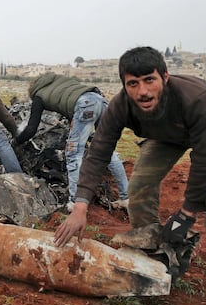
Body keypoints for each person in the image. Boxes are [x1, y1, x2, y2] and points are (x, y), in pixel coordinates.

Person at [54, 47, 206, 305]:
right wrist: (81, 206)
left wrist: (185, 215)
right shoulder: (121, 105)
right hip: (165, 135)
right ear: (124, 85)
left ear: (165, 77)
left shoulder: (198, 99)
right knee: (140, 186)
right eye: (133, 84)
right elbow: (98, 152)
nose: (142, 91)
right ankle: (155, 258)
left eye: (150, 80)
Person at [14, 73, 129, 210]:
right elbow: (72, 104)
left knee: (73, 153)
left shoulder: (39, 95)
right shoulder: (63, 83)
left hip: (86, 105)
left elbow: (31, 129)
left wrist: (15, 142)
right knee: (108, 151)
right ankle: (125, 197)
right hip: (101, 101)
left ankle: (75, 202)